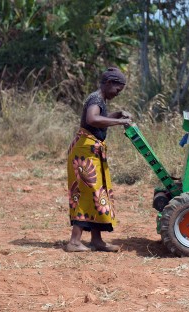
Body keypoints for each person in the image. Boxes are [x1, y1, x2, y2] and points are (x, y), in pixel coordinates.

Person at [65, 67, 132, 252]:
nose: (117, 94)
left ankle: (96, 240)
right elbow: (92, 119)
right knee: (87, 193)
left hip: (90, 150)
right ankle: (74, 242)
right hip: (85, 153)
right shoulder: (95, 98)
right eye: (117, 90)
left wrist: (116, 115)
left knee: (97, 194)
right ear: (109, 83)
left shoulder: (100, 99)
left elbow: (98, 118)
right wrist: (120, 122)